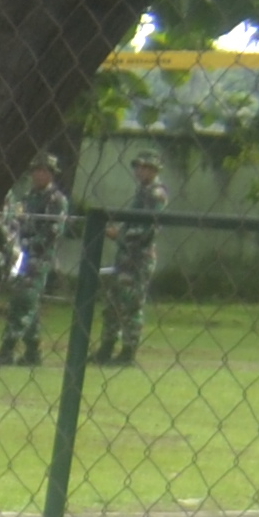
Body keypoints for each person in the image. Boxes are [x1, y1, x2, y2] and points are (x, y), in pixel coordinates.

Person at [0, 155, 71, 366]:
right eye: (36, 170)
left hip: (39, 258)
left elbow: (52, 232)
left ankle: (7, 349)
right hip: (21, 256)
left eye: (43, 170)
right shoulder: (27, 198)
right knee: (27, 302)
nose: (38, 174)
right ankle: (32, 350)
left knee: (23, 300)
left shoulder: (56, 200)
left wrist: (26, 243)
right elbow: (16, 223)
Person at [101, 150, 165, 366]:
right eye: (138, 166)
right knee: (113, 302)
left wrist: (117, 235)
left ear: (154, 170)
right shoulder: (142, 192)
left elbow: (146, 231)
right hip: (126, 257)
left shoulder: (155, 194)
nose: (140, 171)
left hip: (139, 258)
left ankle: (128, 351)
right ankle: (107, 347)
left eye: (145, 167)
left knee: (131, 304)